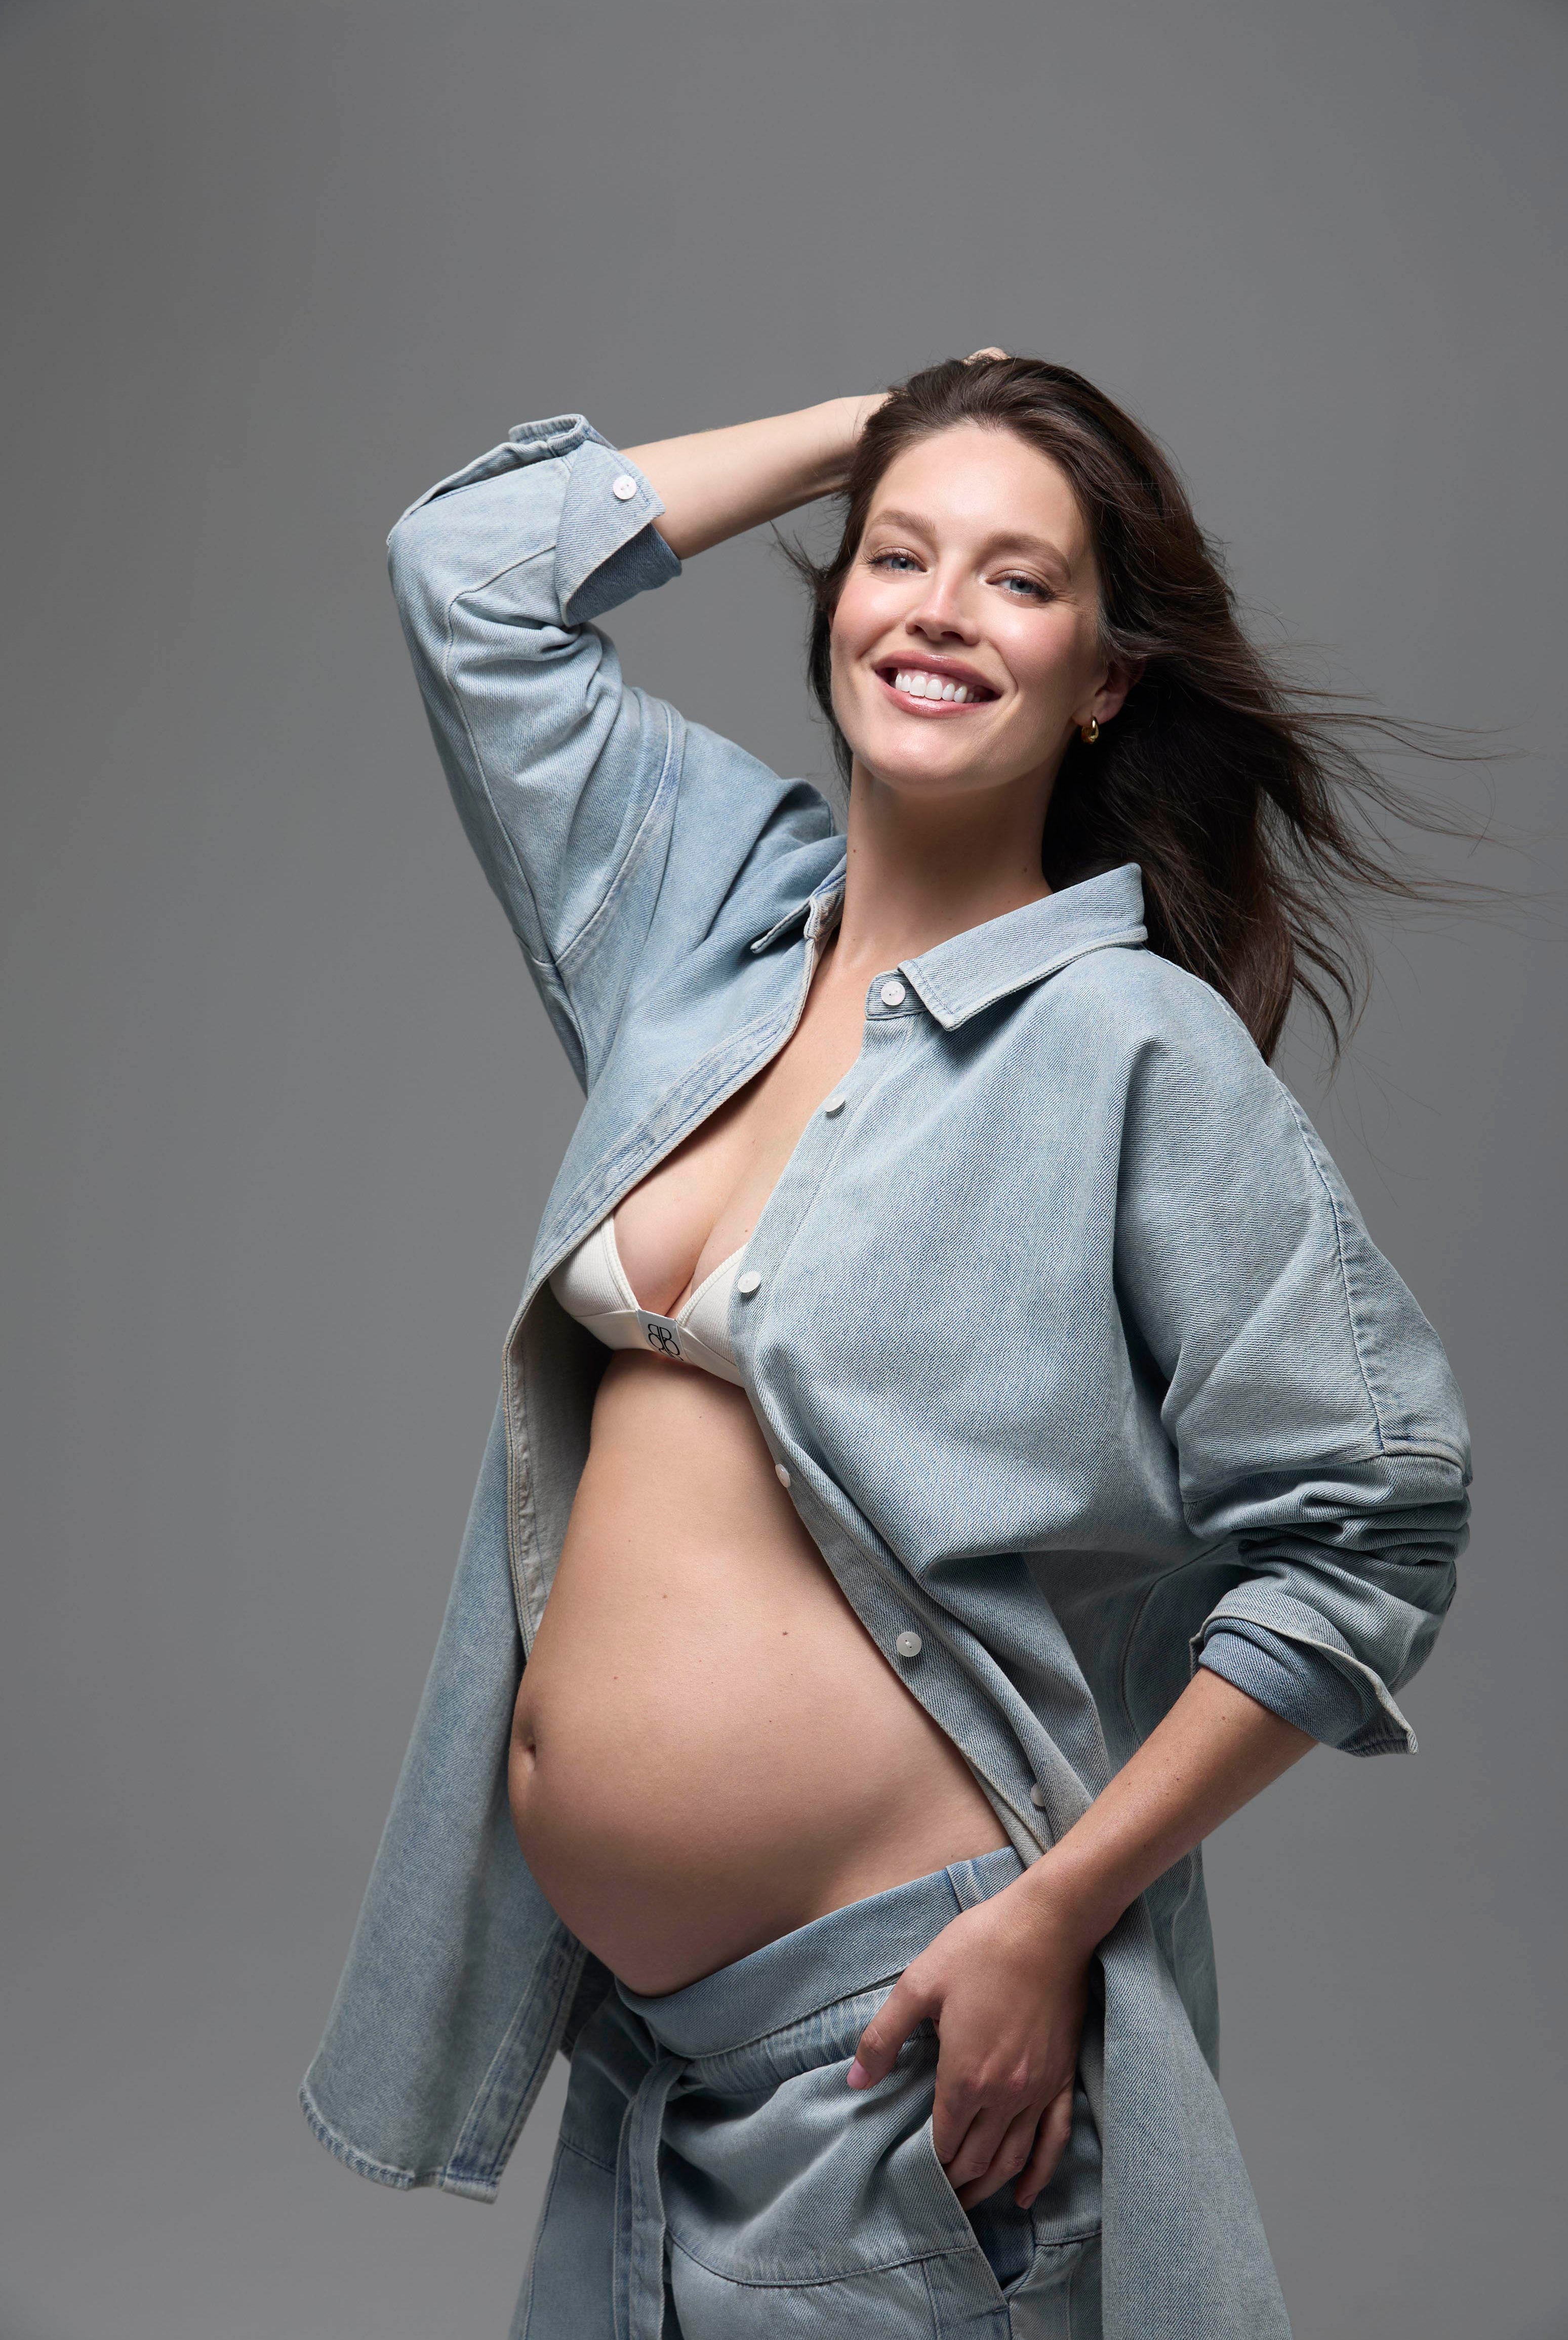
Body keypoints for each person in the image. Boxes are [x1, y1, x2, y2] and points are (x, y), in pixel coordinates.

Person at [301, 354, 1472, 2339]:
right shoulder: (705, 922)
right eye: (897, 556)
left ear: (1106, 675)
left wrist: (1053, 1916)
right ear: (834, 589)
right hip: (644, 2067)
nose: (936, 607)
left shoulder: (1129, 1047)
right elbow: (467, 569)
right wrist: (897, 416)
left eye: (1017, 582)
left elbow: (1373, 1526)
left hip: (903, 2071)